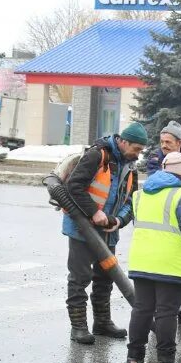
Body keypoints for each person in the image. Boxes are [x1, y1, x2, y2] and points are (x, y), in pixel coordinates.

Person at [64, 123, 148, 345]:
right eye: (136, 149)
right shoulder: (97, 155)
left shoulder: (130, 167)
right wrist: (94, 212)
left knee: (105, 279)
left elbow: (132, 201)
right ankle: (78, 327)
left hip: (108, 231)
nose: (138, 154)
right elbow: (74, 187)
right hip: (82, 229)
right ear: (123, 141)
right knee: (80, 277)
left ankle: (102, 322)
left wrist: (118, 221)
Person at [126, 151, 181, 363]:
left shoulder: (141, 194)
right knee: (166, 312)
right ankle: (166, 361)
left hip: (142, 262)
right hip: (171, 265)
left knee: (141, 310)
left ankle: (134, 360)